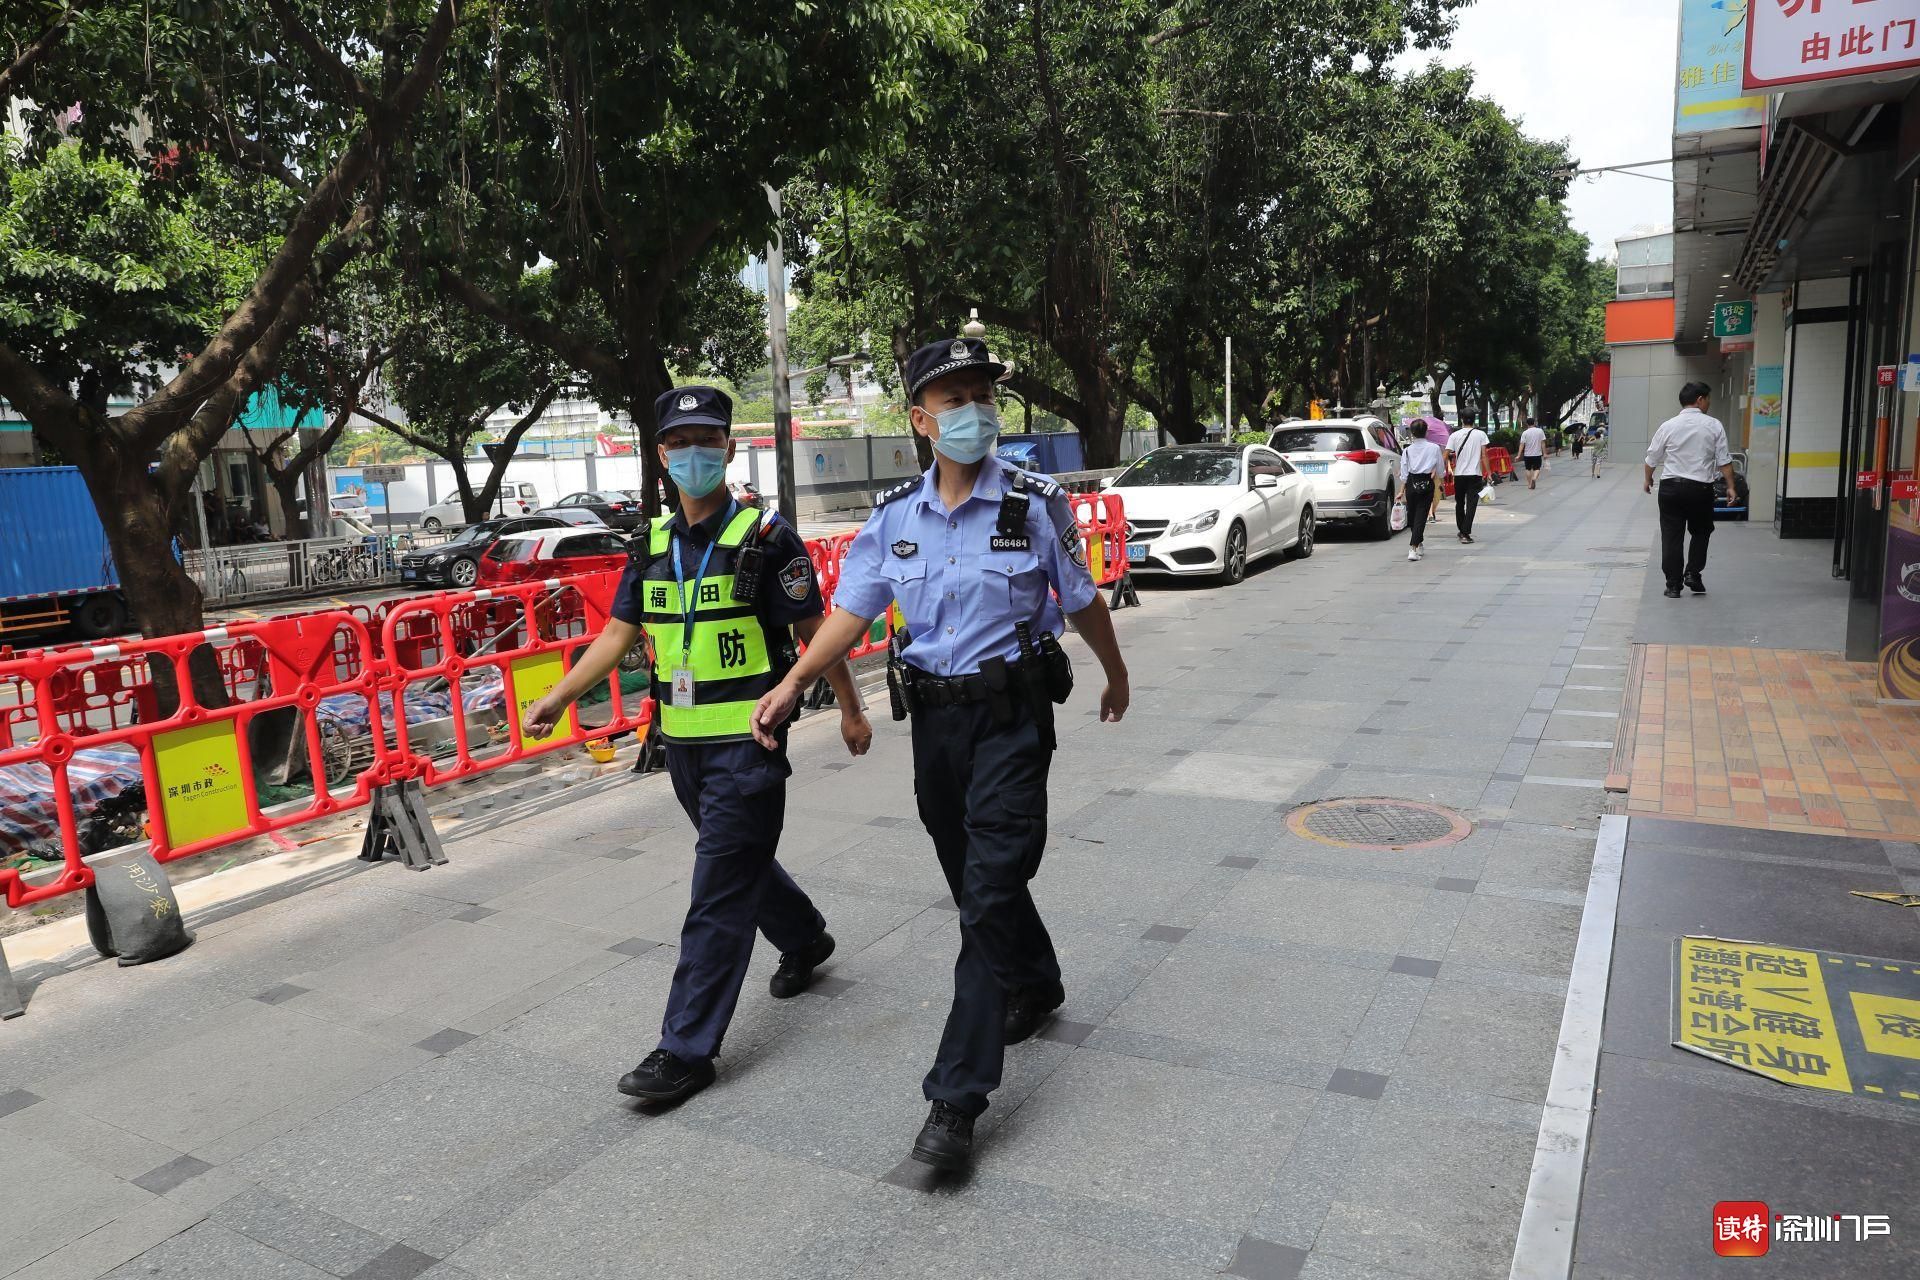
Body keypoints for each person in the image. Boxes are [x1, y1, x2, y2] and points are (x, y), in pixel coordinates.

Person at [750, 337, 1130, 1174]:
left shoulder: (1034, 503)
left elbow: (1079, 597)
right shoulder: (893, 518)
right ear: (921, 421)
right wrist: (793, 685)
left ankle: (955, 1100)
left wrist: (1116, 672)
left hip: (1013, 721)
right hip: (935, 728)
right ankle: (1033, 980)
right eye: (953, 400)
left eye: (981, 396)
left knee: (988, 888)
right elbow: (852, 611)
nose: (974, 413)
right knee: (974, 884)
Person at [521, 385, 871, 1105]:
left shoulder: (767, 540)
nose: (693, 455)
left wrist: (850, 708)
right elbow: (619, 635)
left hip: (749, 744)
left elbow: (816, 632)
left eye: (707, 441)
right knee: (738, 866)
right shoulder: (649, 545)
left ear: (729, 448)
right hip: (680, 744)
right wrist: (559, 697)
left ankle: (685, 1048)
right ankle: (804, 938)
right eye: (679, 444)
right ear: (660, 456)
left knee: (715, 892)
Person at [1645, 382, 1734, 599]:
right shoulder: (1714, 425)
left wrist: (1647, 479)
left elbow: (1652, 458)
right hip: (1700, 489)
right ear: (1700, 399)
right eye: (1708, 399)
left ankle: (1673, 586)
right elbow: (1724, 460)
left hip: (1670, 488)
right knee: (1701, 531)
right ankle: (1693, 573)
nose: (1709, 403)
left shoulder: (1668, 425)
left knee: (1672, 535)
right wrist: (1731, 486)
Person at [1399, 421, 1445, 562]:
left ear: (1412, 433)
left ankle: (1414, 546)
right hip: (1426, 483)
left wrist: (1402, 490)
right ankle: (1416, 545)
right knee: (1420, 516)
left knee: (1414, 516)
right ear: (1427, 431)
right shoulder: (1434, 448)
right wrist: (1437, 475)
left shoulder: (1407, 450)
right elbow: (1440, 470)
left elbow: (1404, 474)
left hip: (1411, 484)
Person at [1446, 412, 1491, 543]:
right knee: (1471, 505)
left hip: (1459, 474)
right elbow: (1484, 455)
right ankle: (1465, 533)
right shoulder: (1481, 435)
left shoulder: (1454, 435)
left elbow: (1446, 453)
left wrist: (1438, 470)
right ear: (1474, 420)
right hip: (1475, 475)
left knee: (1459, 503)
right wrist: (1488, 472)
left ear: (1462, 420)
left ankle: (1462, 530)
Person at [1518, 417, 1547, 490]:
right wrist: (1545, 453)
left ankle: (1529, 484)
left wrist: (1518, 455)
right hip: (1537, 454)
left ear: (1527, 424)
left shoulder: (1525, 433)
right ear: (1534, 423)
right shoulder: (1540, 431)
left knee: (1528, 469)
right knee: (1537, 469)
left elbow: (1522, 444)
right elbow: (1543, 443)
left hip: (1527, 454)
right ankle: (1534, 478)